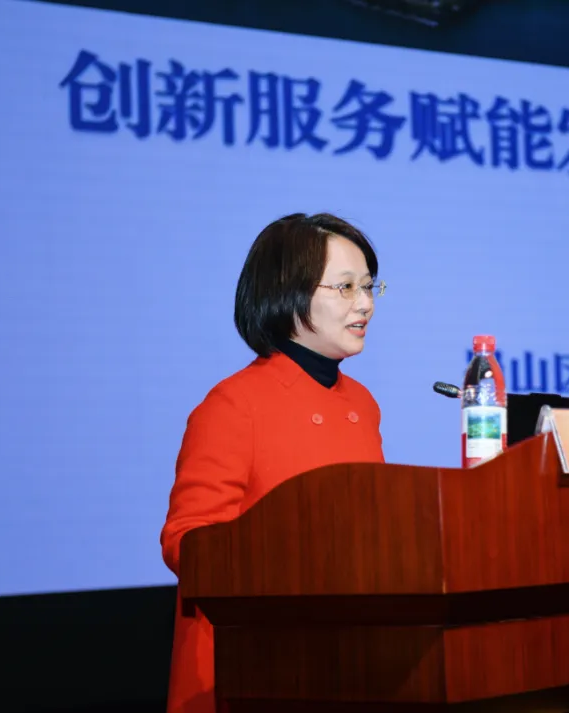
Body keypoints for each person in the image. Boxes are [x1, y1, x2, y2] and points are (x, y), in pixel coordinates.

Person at [159, 212, 387, 713]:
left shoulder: (362, 403)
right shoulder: (234, 404)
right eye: (346, 287)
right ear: (289, 292)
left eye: (369, 286)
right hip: (249, 665)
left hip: (342, 658)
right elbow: (187, 542)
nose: (365, 303)